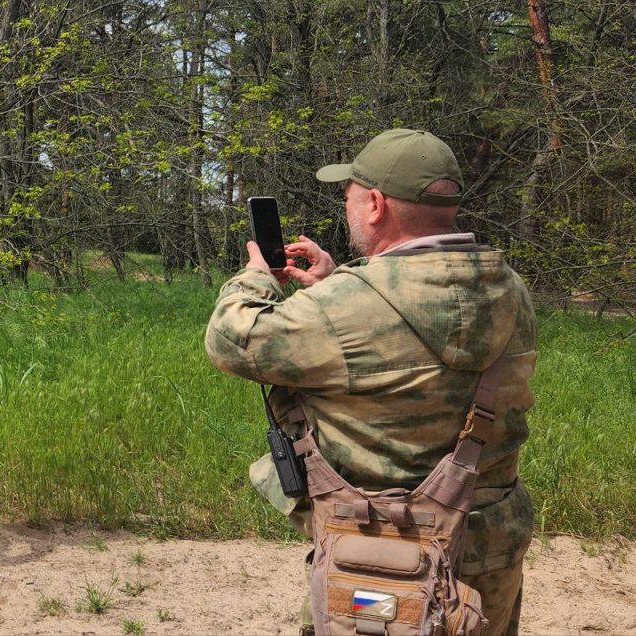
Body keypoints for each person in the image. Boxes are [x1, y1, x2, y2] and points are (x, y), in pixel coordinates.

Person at [205, 129, 536, 635]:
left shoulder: (347, 307)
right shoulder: (510, 289)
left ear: (376, 204)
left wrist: (258, 275)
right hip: (488, 553)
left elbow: (231, 341)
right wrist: (339, 282)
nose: (349, 208)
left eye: (350, 196)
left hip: (380, 559)